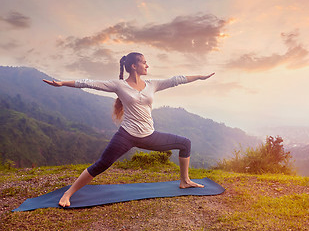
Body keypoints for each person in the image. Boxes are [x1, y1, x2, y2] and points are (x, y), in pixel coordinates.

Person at [43, 52, 215, 207]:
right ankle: (68, 193)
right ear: (134, 66)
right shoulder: (119, 85)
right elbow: (89, 83)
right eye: (144, 62)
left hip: (149, 136)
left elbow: (176, 80)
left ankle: (185, 181)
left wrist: (199, 76)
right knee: (101, 164)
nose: (147, 65)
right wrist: (63, 83)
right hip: (126, 136)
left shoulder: (152, 84)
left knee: (185, 143)